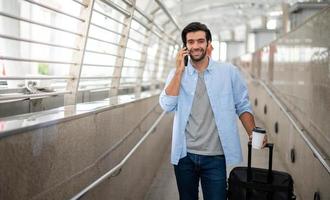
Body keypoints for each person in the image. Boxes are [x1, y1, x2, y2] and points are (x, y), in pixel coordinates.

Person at [159, 22, 266, 200]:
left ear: (208, 43)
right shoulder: (176, 74)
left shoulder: (229, 72)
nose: (196, 46)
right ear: (185, 46)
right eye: (191, 42)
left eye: (200, 41)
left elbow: (242, 105)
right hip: (184, 155)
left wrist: (253, 132)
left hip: (215, 156)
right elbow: (167, 105)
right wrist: (179, 71)